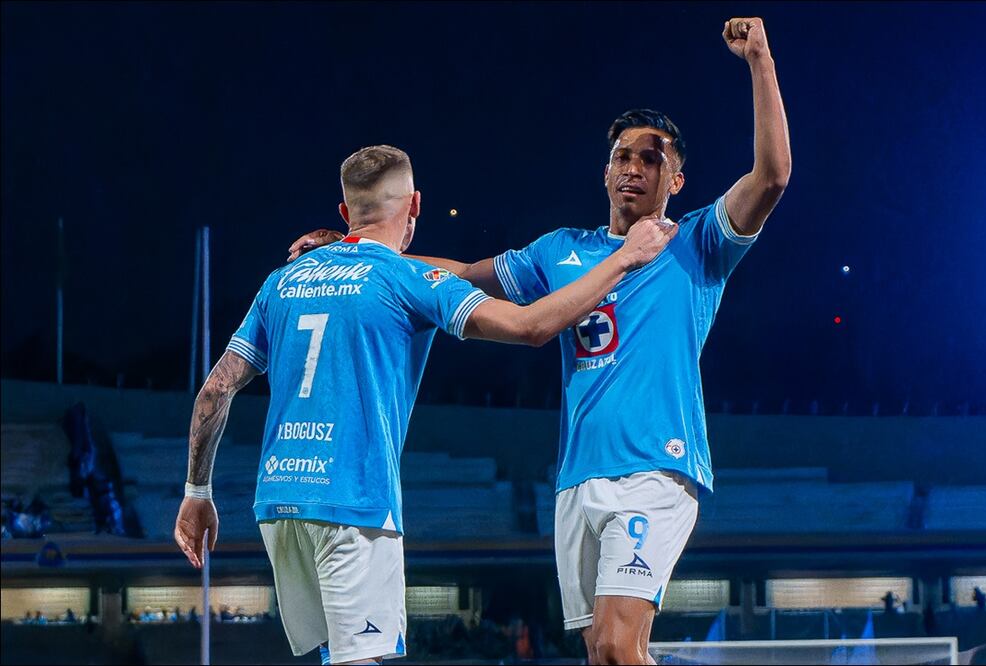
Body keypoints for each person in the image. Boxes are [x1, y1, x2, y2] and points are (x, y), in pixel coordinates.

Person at [289, 18, 790, 665]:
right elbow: (461, 275)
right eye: (622, 156)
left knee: (618, 644)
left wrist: (759, 61)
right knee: (604, 653)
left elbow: (772, 176)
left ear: (676, 180)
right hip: (576, 478)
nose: (633, 168)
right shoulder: (560, 251)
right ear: (604, 171)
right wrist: (357, 250)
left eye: (651, 158)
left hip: (655, 468)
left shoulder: (697, 241)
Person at [174, 145, 676, 665]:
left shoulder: (282, 280)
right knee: (359, 659)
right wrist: (623, 258)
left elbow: (215, 390)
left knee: (337, 654)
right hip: (354, 501)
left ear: (345, 212)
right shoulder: (408, 280)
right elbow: (531, 326)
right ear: (415, 204)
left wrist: (196, 492)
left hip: (279, 502)